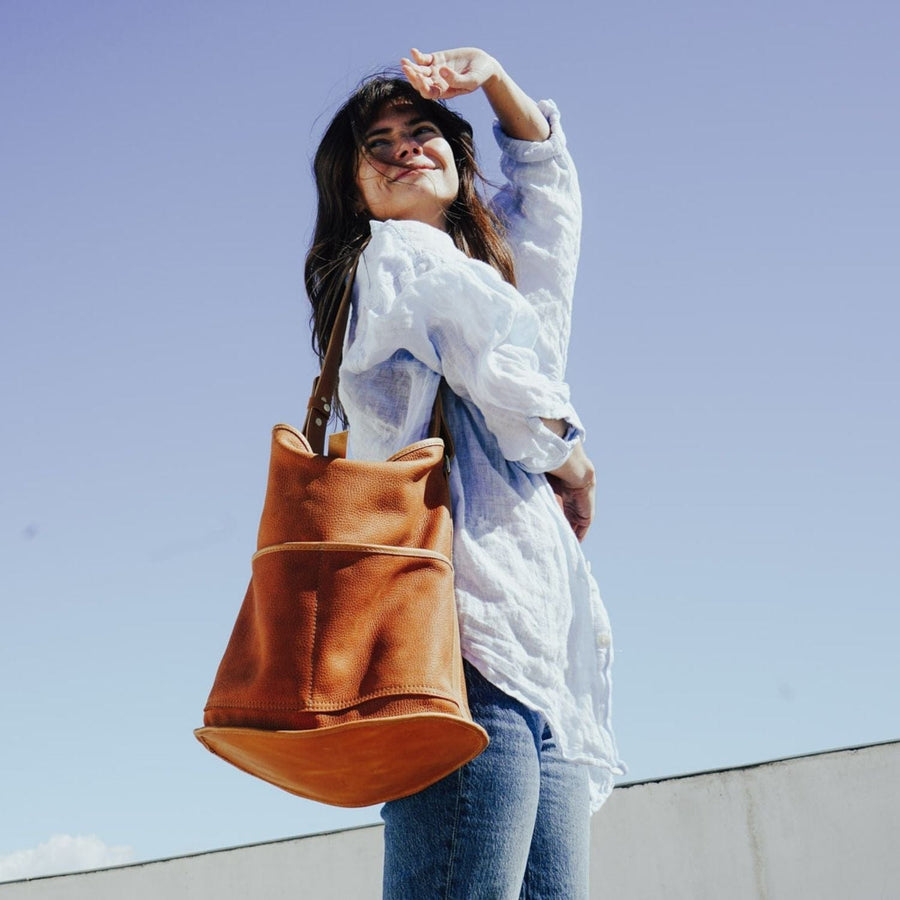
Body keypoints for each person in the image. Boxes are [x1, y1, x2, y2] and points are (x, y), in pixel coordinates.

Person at [305, 46, 624, 899]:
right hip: (452, 641)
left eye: (423, 131)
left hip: (534, 655)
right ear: (355, 189)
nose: (407, 146)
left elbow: (551, 218)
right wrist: (577, 462)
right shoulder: (399, 261)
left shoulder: (485, 271)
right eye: (380, 142)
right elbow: (513, 381)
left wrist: (492, 81)